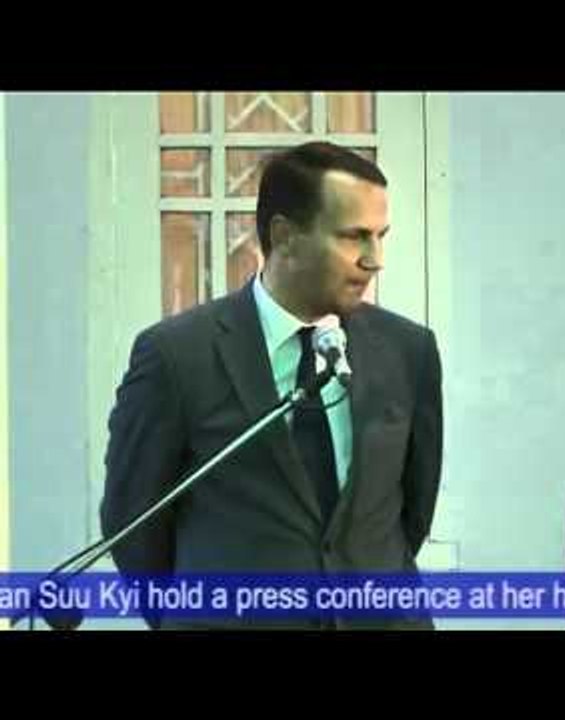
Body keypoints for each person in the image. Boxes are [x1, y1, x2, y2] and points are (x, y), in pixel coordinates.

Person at [101, 142, 443, 629]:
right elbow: (133, 524)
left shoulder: (409, 350)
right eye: (354, 237)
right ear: (285, 236)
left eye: (381, 236)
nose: (374, 259)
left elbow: (412, 510)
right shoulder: (178, 356)